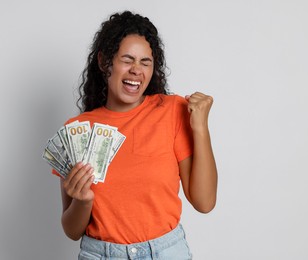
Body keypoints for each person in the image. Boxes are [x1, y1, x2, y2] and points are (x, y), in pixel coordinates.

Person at [52, 10, 218, 260]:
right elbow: (72, 230)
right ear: (104, 62)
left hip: (167, 252)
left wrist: (201, 128)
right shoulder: (78, 130)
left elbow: (204, 203)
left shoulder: (172, 111)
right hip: (100, 254)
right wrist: (83, 201)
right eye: (127, 60)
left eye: (145, 62)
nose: (136, 70)